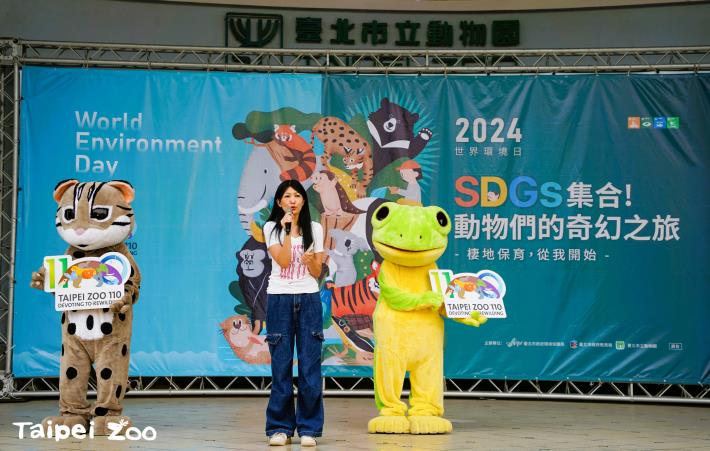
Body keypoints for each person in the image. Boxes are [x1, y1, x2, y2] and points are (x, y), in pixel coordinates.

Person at [262, 179, 325, 447]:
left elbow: (318, 271)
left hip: (309, 299)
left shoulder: (316, 228)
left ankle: (309, 429)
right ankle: (280, 428)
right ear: (279, 202)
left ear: (303, 201)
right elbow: (285, 261)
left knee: (310, 367)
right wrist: (287, 230)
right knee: (281, 366)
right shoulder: (271, 228)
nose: (293, 200)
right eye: (287, 196)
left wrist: (312, 262)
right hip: (279, 299)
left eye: (297, 195)